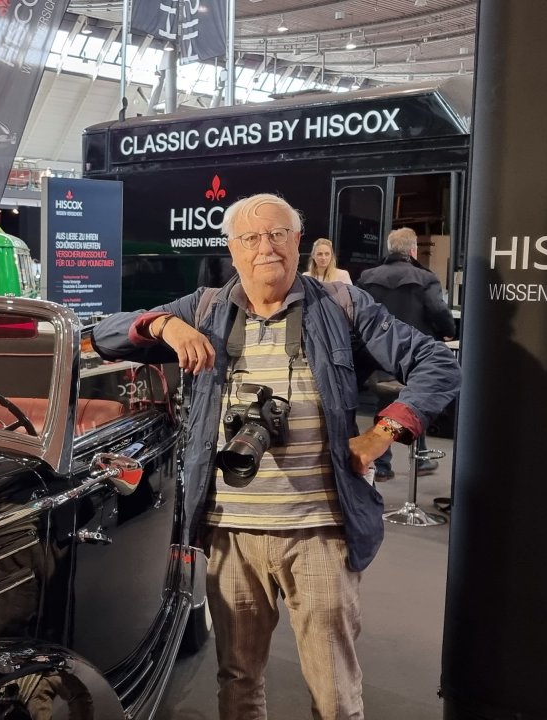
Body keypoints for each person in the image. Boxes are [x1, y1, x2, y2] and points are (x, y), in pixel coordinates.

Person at [93, 194, 457, 719]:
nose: (266, 247)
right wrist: (163, 325)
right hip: (230, 533)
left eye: (278, 234)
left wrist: (382, 434)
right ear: (232, 249)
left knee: (334, 691)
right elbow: (102, 335)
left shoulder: (341, 304)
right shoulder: (205, 309)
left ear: (298, 242)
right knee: (238, 681)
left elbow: (436, 363)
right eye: (251, 237)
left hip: (320, 530)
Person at [356, 227, 458, 480]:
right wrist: (448, 331)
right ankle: (419, 459)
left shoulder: (368, 277)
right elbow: (439, 312)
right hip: (413, 358)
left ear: (390, 249)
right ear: (413, 250)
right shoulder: (425, 278)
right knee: (415, 404)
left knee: (385, 403)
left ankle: (382, 465)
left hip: (377, 359)